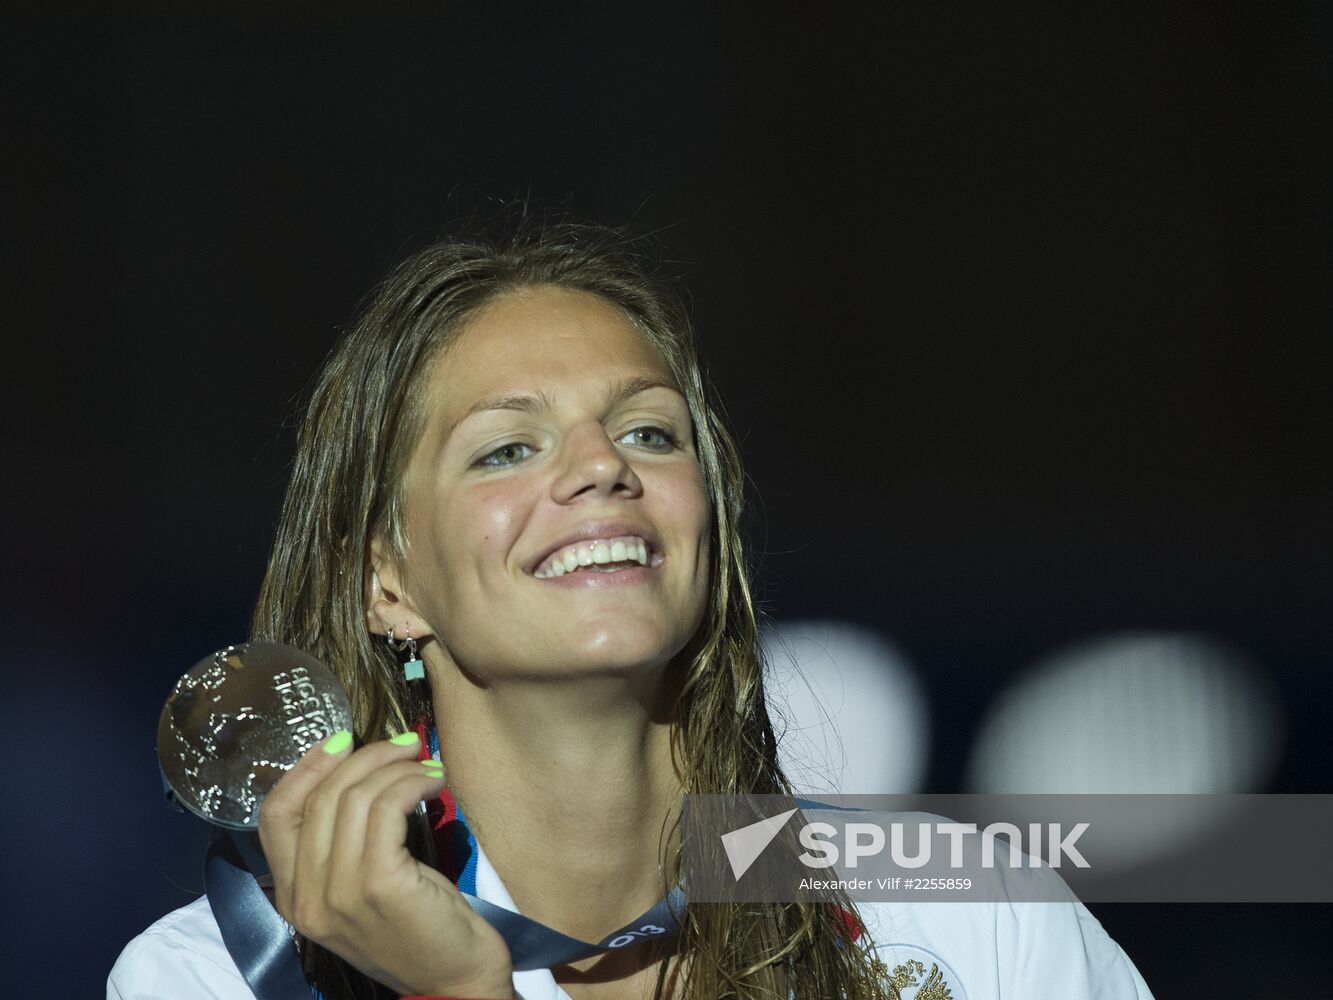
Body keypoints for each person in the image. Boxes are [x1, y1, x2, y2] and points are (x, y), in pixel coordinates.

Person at [109, 219, 1154, 999]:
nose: (604, 465)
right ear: (389, 580)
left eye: (650, 433)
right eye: (508, 448)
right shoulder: (216, 975)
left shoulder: (966, 913)